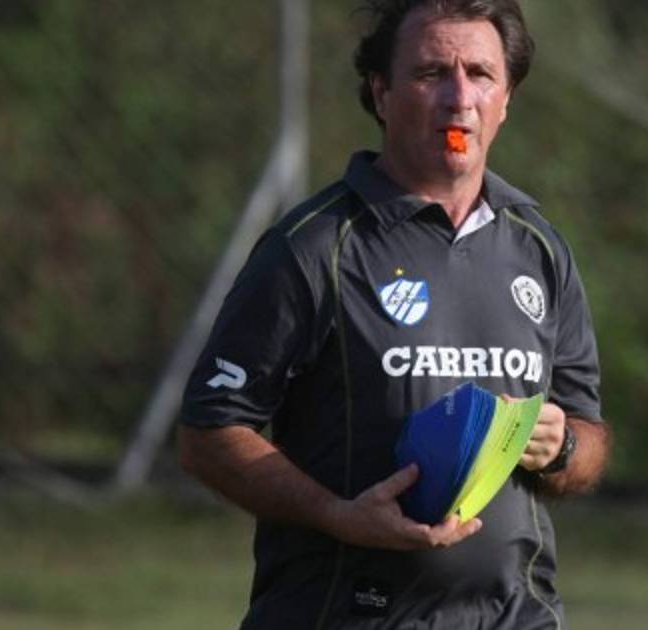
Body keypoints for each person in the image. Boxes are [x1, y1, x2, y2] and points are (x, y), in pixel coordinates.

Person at [177, 0, 610, 627]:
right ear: (381, 93)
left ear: (507, 99)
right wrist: (336, 514)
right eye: (432, 74)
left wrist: (562, 445)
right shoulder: (315, 247)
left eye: (481, 75)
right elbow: (208, 434)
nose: (459, 98)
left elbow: (589, 437)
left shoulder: (539, 249)